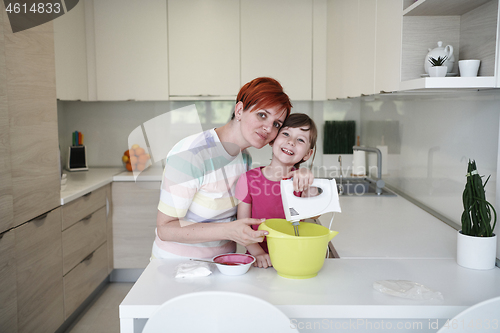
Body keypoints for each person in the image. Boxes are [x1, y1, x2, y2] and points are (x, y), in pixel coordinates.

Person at [153, 77, 314, 259]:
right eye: (262, 115)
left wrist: (301, 173)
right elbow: (165, 229)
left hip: (223, 264)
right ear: (239, 110)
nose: (268, 128)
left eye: (277, 124)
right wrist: (228, 231)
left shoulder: (243, 158)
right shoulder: (192, 154)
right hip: (177, 267)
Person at [235, 113, 318, 268]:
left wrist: (308, 180)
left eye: (300, 139)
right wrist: (258, 253)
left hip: (293, 257)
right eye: (286, 134)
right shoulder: (248, 179)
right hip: (258, 260)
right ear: (272, 141)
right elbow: (242, 226)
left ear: (307, 154)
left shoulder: (299, 182)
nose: (291, 142)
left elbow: (315, 213)